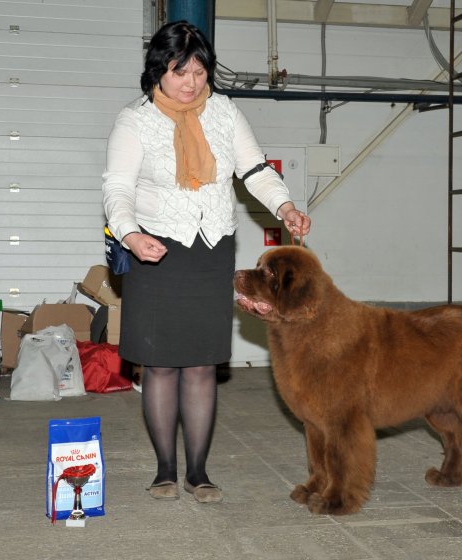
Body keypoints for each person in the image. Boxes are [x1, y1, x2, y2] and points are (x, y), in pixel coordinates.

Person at [102, 20, 311, 503]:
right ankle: (164, 471)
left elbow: (254, 169)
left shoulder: (224, 112)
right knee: (159, 367)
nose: (191, 82)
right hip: (156, 253)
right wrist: (130, 234)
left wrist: (284, 206)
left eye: (199, 70)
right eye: (180, 72)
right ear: (159, 70)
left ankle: (198, 472)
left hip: (212, 250)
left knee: (199, 365)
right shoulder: (134, 121)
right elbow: (117, 188)